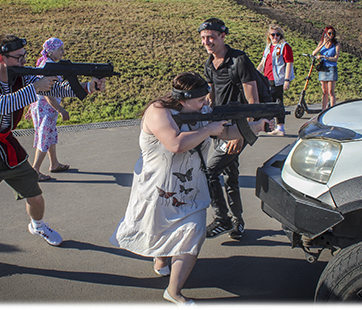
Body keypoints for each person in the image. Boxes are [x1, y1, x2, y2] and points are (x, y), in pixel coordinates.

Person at [110, 72, 271, 305]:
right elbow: (176, 144)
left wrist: (256, 126)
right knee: (159, 229)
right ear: (184, 99)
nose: (206, 102)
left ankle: (173, 291)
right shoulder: (158, 111)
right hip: (158, 189)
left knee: (193, 233)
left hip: (190, 189)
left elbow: (225, 132)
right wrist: (208, 129)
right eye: (200, 99)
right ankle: (161, 258)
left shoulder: (202, 111)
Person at [0, 34, 106, 280]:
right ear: (0, 58)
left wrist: (89, 87)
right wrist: (35, 88)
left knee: (35, 196)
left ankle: (37, 226)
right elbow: (0, 105)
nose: (24, 61)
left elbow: (56, 89)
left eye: (25, 56)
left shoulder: (21, 75)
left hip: (7, 146)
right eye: (19, 57)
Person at [200, 18, 261, 240]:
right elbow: (212, 95)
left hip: (237, 129)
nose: (207, 42)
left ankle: (222, 219)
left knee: (210, 171)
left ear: (223, 36)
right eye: (203, 38)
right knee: (230, 175)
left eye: (211, 37)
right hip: (219, 127)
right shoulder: (209, 64)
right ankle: (238, 221)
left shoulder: (239, 61)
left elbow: (253, 103)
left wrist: (241, 135)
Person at [29, 38, 72, 181]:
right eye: (60, 49)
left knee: (50, 134)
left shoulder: (45, 63)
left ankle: (54, 164)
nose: (63, 52)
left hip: (41, 107)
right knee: (45, 137)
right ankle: (35, 170)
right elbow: (47, 93)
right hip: (46, 108)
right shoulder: (49, 66)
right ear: (52, 51)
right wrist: (61, 110)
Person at [257, 25, 295, 136]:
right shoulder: (268, 47)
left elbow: (289, 63)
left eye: (277, 35)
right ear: (269, 36)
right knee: (267, 102)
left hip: (277, 79)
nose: (275, 37)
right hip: (266, 78)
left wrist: (287, 80)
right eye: (273, 34)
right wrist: (256, 74)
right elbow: (262, 63)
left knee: (276, 102)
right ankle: (269, 126)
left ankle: (280, 127)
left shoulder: (284, 46)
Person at [312, 26, 340, 110]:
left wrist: (325, 57)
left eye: (333, 33)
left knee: (331, 91)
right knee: (324, 92)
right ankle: (323, 110)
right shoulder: (321, 43)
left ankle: (332, 109)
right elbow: (314, 53)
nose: (331, 35)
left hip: (331, 68)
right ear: (325, 34)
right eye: (329, 33)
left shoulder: (336, 44)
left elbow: (336, 58)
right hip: (323, 68)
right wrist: (323, 44)